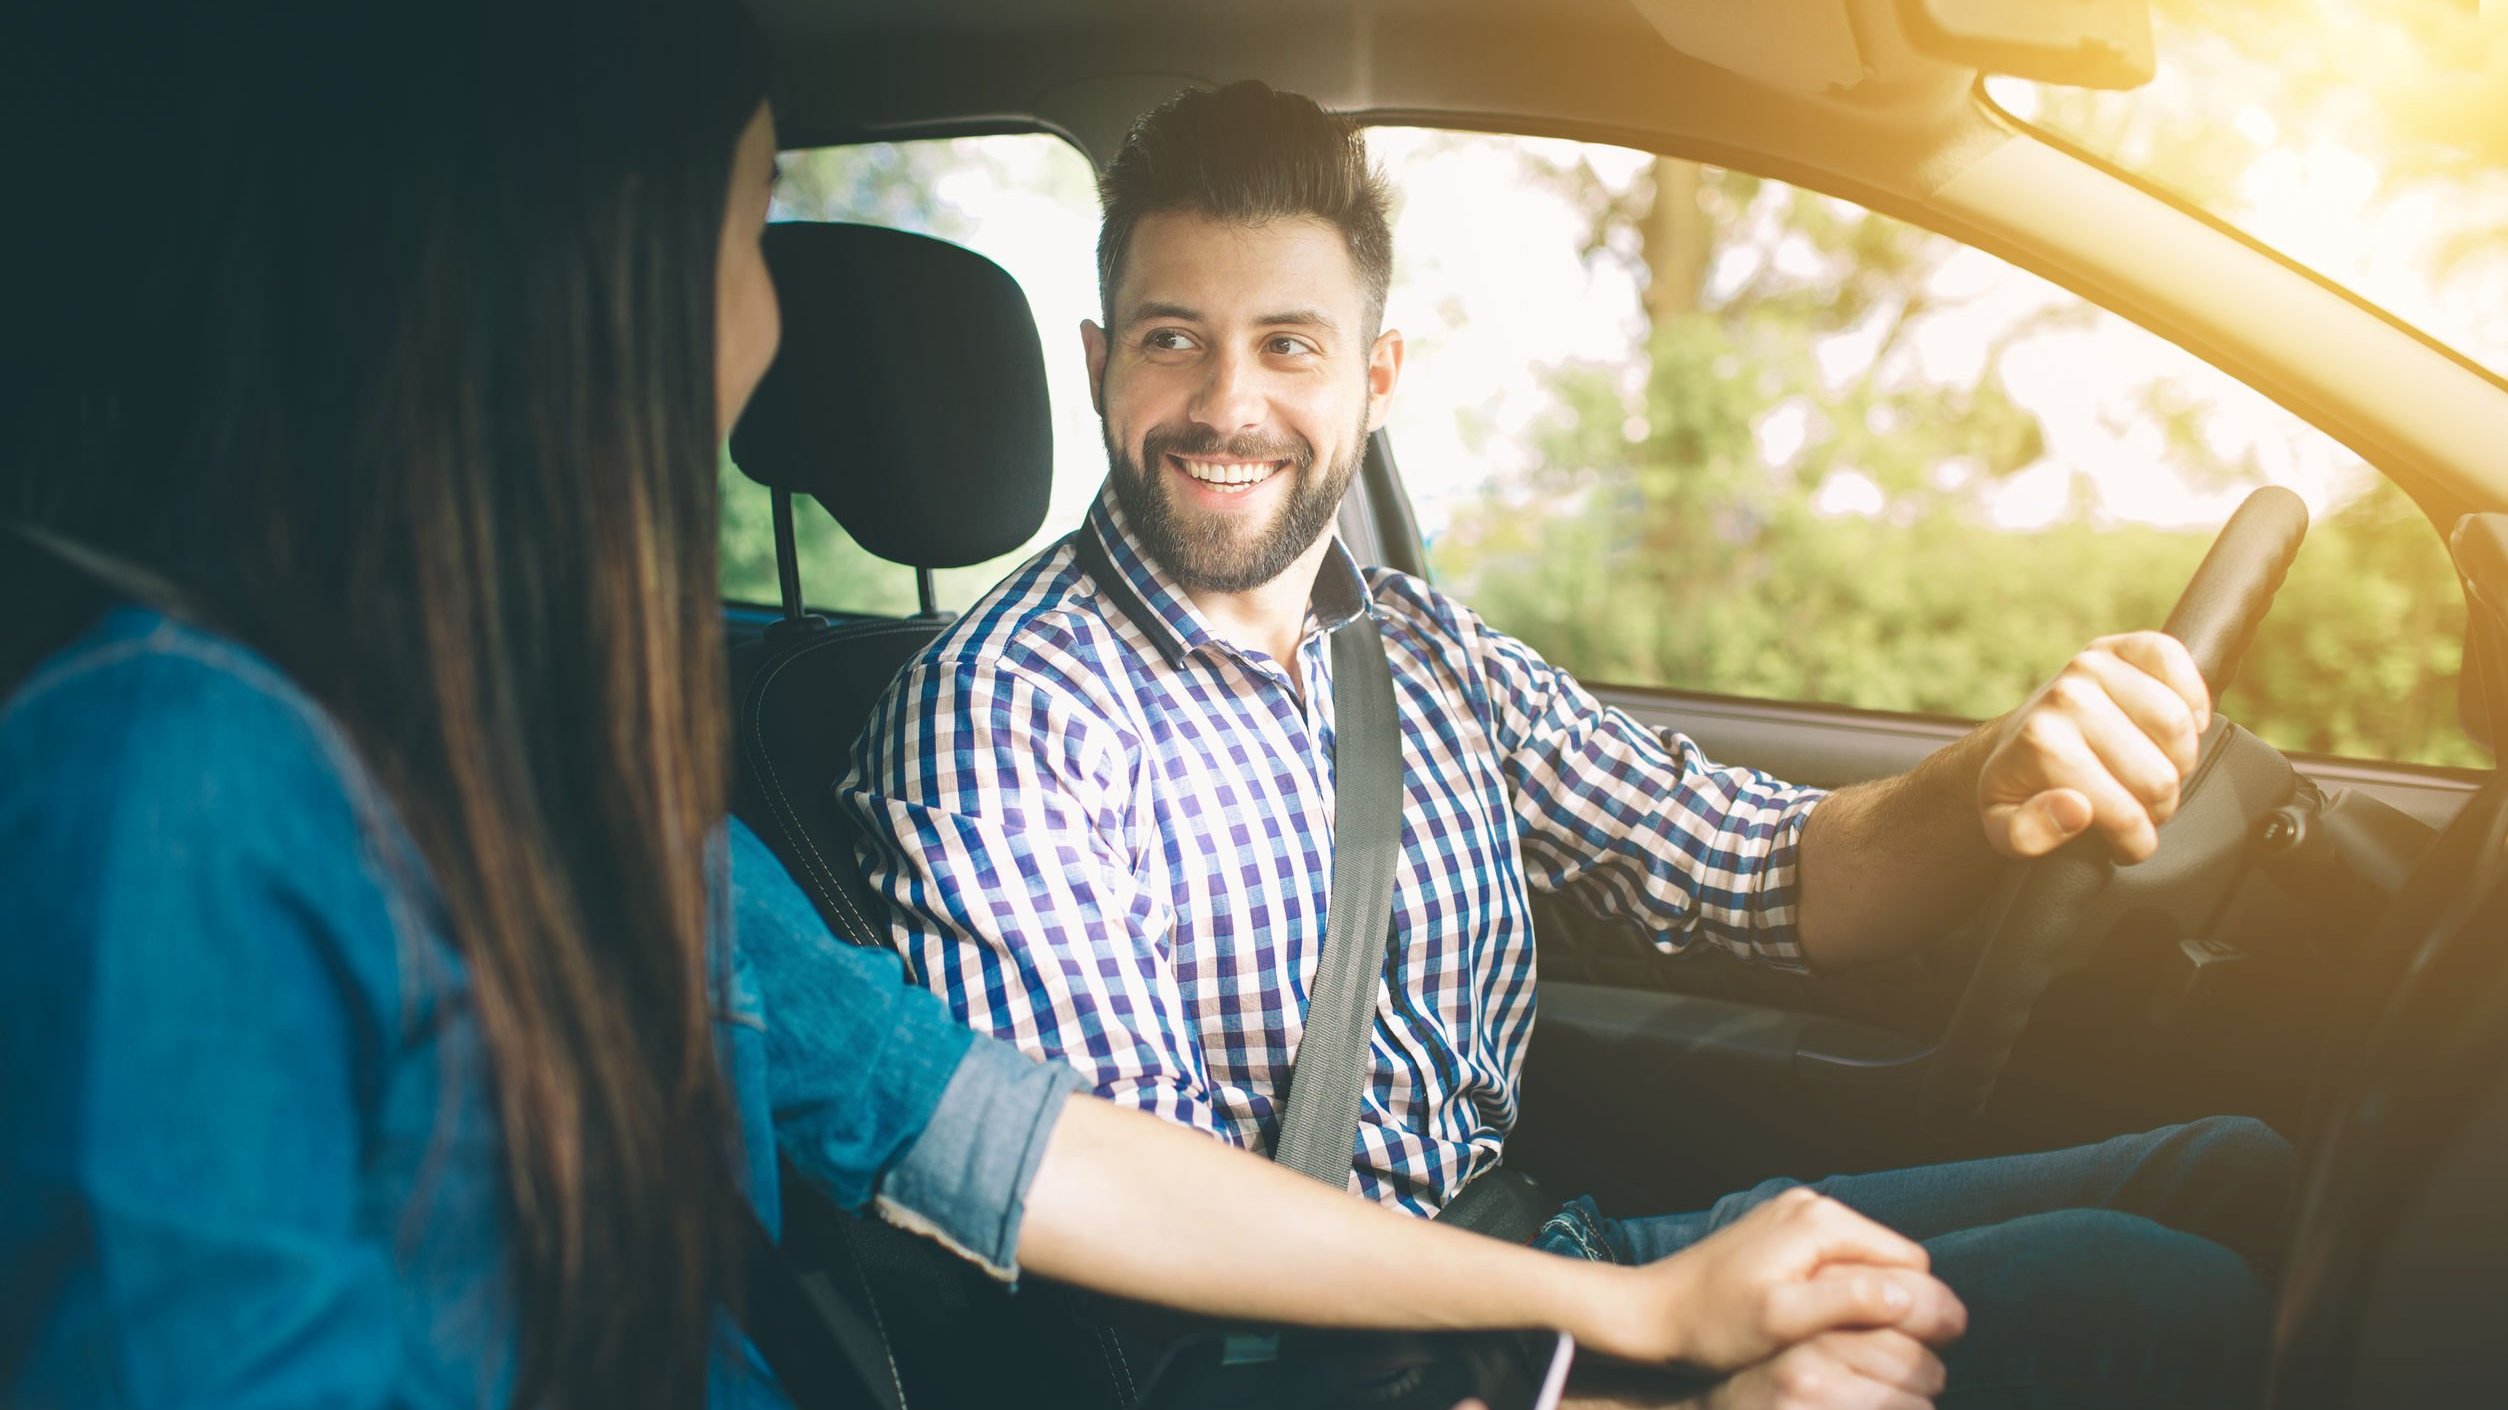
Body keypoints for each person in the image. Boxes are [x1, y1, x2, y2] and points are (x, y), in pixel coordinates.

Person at [0, 6, 1971, 1409]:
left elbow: (1019, 1150)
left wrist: (1619, 1318)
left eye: (1291, 341)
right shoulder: (170, 796)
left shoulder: (586, 797)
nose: (774, 325)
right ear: (592, 276)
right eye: (752, 230)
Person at [841, 80, 2294, 1406]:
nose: (1229, 403)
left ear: (1376, 378)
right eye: (1175, 341)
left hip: (1548, 1265)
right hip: (1350, 1376)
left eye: (1289, 344)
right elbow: (1131, 1271)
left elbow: (1767, 870)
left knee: (2234, 1176)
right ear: (1102, 362)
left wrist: (1992, 777)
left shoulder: (1421, 651)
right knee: (2168, 1306)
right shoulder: (1006, 714)